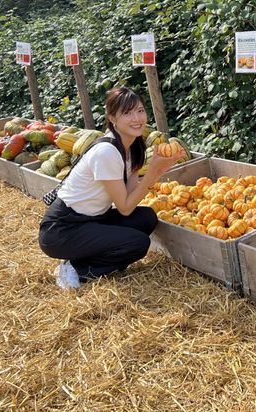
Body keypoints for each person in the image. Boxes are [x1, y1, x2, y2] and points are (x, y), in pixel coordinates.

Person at [39, 87, 185, 289]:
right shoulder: (107, 152)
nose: (137, 118)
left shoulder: (133, 146)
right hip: (63, 229)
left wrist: (159, 171)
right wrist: (152, 172)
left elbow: (131, 197)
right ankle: (76, 269)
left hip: (93, 220)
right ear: (112, 117)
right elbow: (124, 207)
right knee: (138, 243)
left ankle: (83, 256)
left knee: (146, 218)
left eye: (140, 110)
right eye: (127, 113)